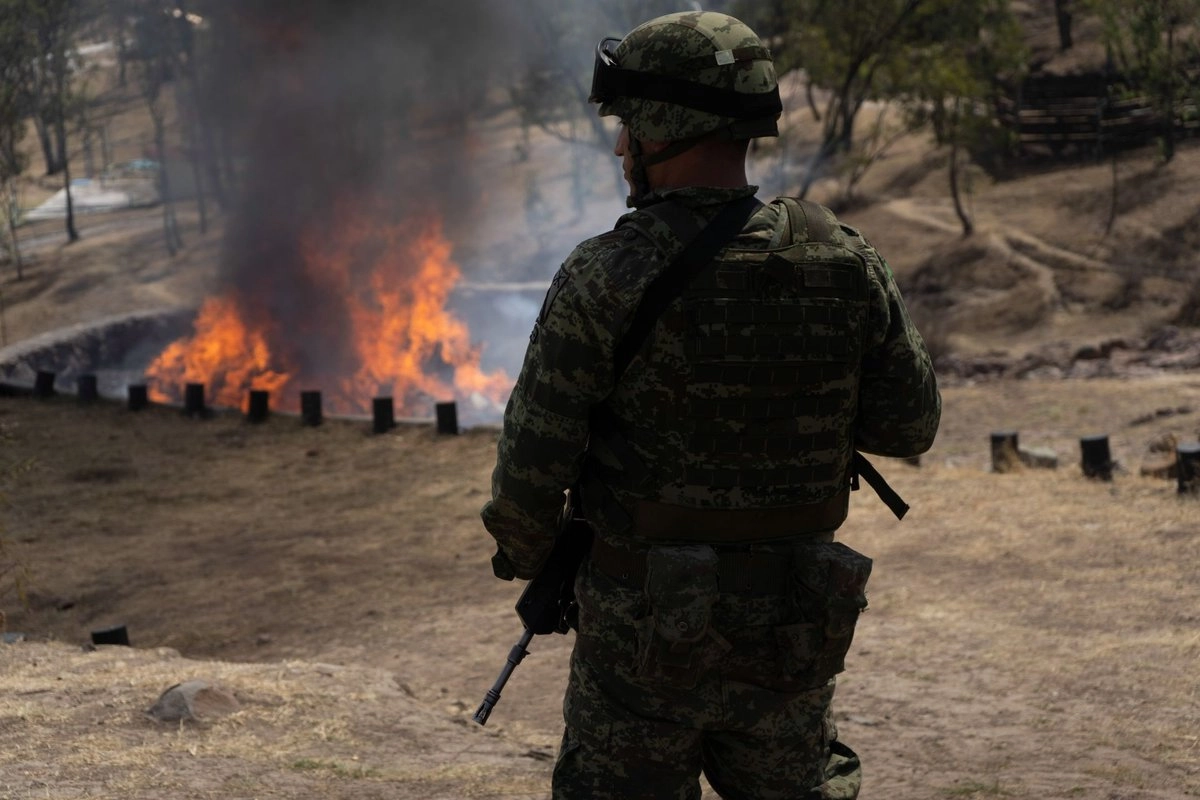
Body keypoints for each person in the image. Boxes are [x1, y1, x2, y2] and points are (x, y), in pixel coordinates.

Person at [481, 10, 940, 799]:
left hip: (643, 638)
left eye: (630, 124)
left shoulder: (604, 275)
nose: (622, 144)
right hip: (794, 626)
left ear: (663, 126)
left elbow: (530, 476)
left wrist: (532, 561)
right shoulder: (845, 262)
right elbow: (910, 427)